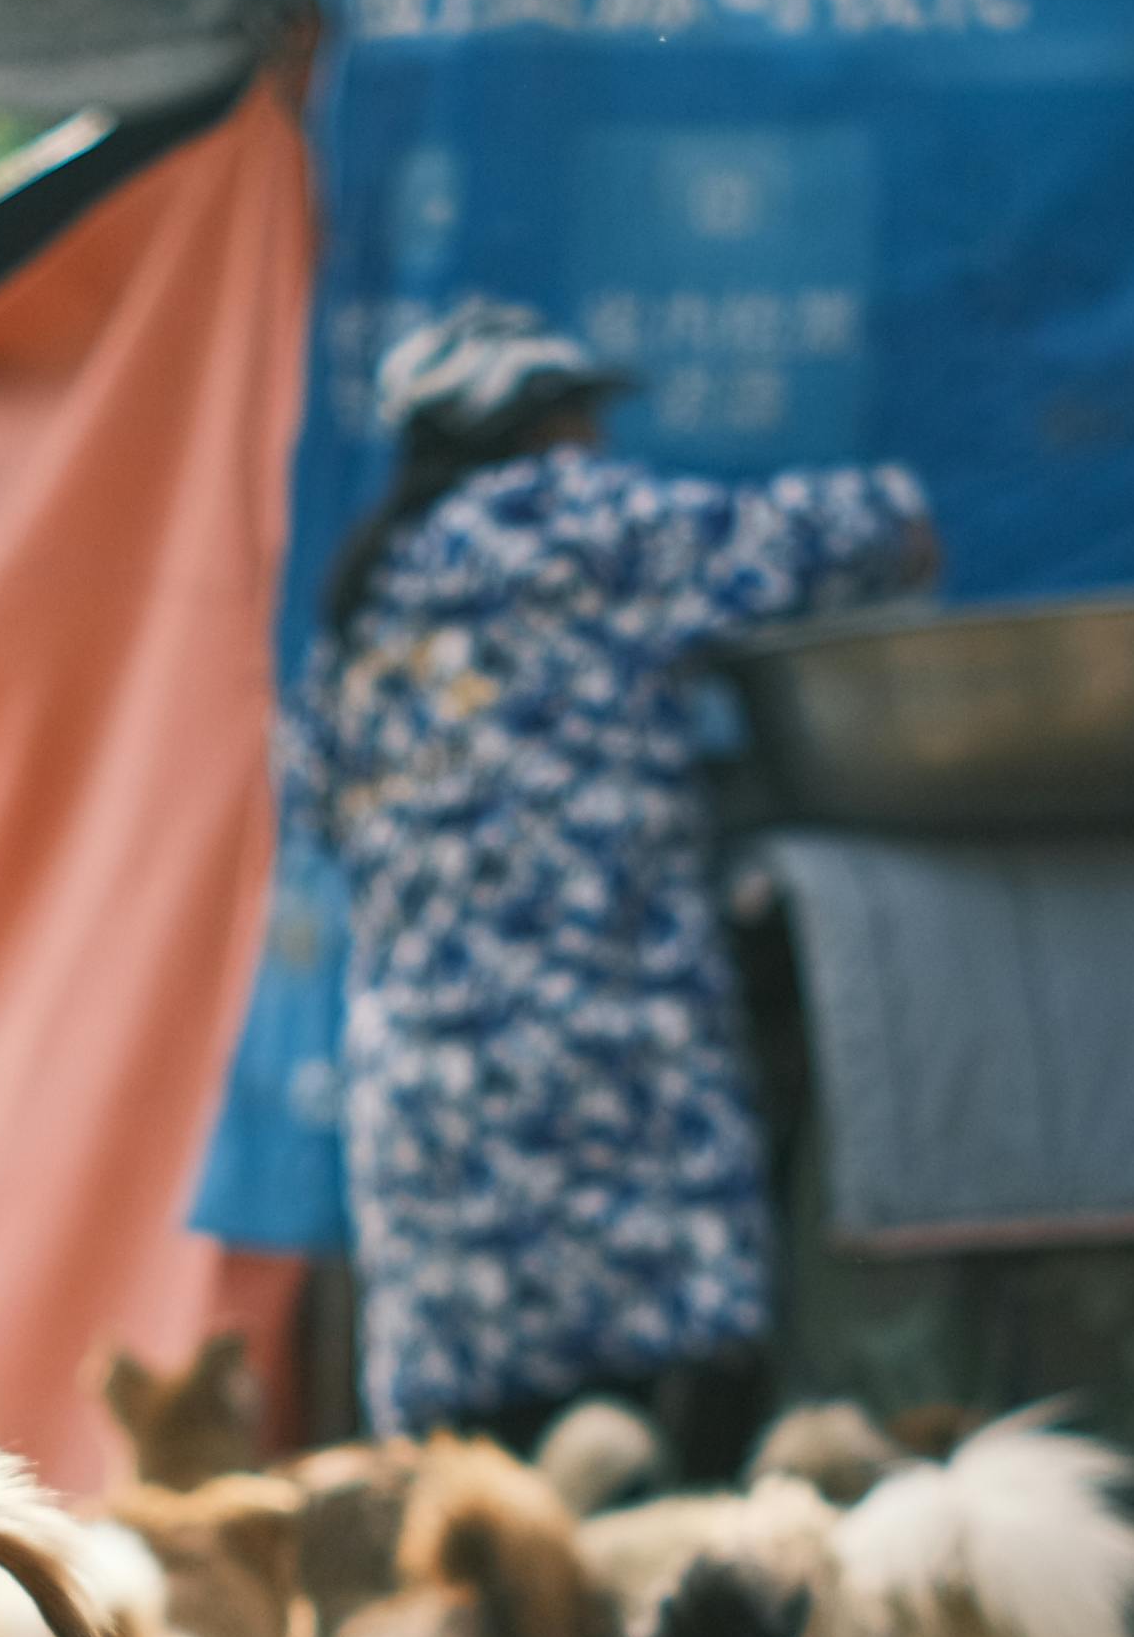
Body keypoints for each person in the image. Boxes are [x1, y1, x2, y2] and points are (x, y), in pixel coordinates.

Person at [287, 301, 932, 1464]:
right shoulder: (568, 519)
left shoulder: (363, 603)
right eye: (581, 415)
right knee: (659, 1462)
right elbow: (867, 530)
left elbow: (316, 815)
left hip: (425, 1113)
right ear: (537, 427)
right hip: (602, 1085)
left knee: (488, 1507)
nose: (597, 440)